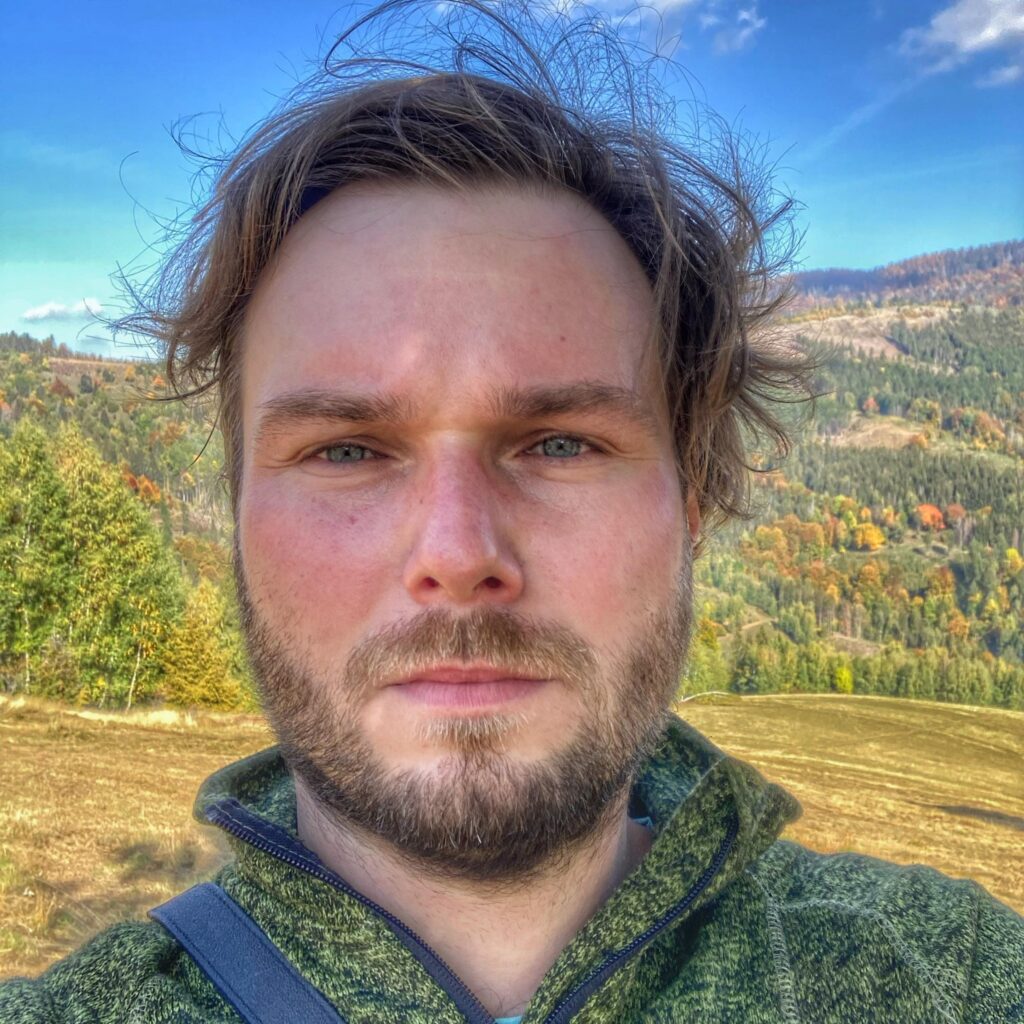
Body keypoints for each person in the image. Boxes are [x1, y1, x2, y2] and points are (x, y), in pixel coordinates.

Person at [2, 2, 1022, 1022]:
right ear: (236, 513)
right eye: (347, 450)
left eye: (560, 443)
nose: (457, 552)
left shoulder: (951, 976)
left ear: (695, 499)